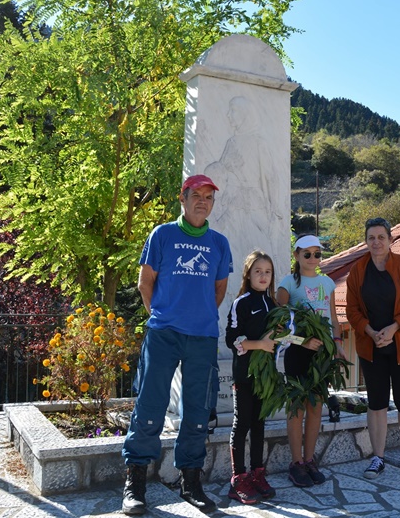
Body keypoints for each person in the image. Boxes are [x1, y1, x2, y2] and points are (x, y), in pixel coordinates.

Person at [121, 175, 232, 515]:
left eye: (208, 196)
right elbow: (145, 283)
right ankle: (135, 483)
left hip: (202, 337)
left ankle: (191, 482)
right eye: (196, 195)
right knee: (151, 405)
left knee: (198, 410)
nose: (202, 201)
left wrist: (196, 317)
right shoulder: (163, 234)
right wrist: (165, 316)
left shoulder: (219, 242)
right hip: (163, 334)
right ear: (182, 199)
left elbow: (219, 289)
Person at [345, 217, 400, 480]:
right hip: (372, 347)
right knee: (377, 403)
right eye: (371, 237)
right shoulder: (358, 271)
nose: (376, 242)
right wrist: (371, 332)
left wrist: (395, 328)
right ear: (366, 241)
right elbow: (352, 310)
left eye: (381, 237)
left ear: (390, 240)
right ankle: (378, 456)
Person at [276, 234, 346, 488]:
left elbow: (334, 318)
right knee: (297, 409)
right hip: (297, 353)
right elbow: (279, 323)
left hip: (322, 354)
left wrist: (338, 345)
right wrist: (301, 341)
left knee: (316, 407)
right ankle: (296, 464)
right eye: (307, 254)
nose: (313, 259)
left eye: (317, 254)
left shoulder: (327, 283)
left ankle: (309, 460)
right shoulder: (288, 283)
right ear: (296, 256)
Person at [224, 251, 278, 505]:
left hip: (264, 377)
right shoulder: (242, 303)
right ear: (248, 274)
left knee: (259, 424)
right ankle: (238, 479)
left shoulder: (274, 304)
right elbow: (230, 339)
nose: (263, 276)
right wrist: (260, 345)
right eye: (258, 271)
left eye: (267, 271)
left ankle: (257, 474)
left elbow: (279, 338)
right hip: (244, 375)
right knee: (242, 423)